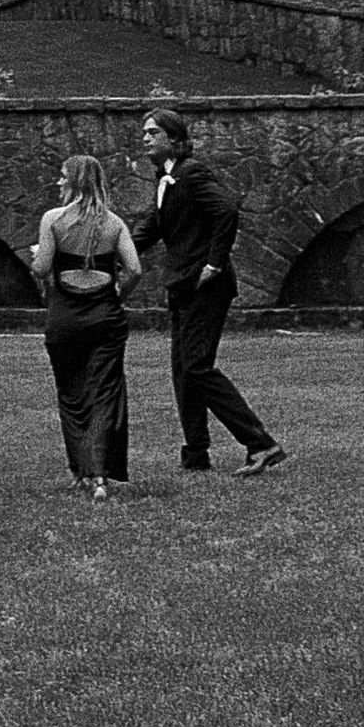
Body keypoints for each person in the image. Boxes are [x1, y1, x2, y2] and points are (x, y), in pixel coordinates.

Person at [136, 109, 288, 478]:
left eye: (153, 132)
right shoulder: (167, 178)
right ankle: (196, 454)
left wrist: (215, 264)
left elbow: (226, 211)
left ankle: (261, 444)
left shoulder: (191, 173)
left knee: (196, 366)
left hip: (207, 287)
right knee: (183, 371)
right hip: (183, 286)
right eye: (144, 132)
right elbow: (153, 227)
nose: (145, 138)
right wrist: (110, 252)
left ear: (174, 139)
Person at [32, 153, 141, 499]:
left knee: (71, 393)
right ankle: (100, 476)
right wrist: (118, 295)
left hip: (65, 316)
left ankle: (80, 469)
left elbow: (41, 268)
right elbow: (135, 269)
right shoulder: (114, 224)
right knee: (104, 393)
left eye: (63, 176)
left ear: (76, 180)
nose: (59, 181)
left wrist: (36, 254)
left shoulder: (54, 219)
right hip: (105, 315)